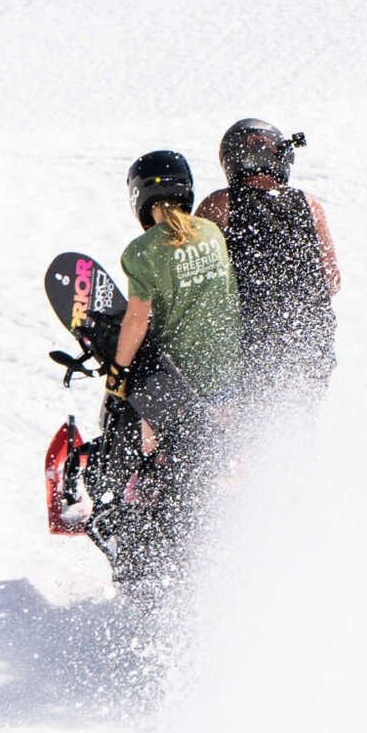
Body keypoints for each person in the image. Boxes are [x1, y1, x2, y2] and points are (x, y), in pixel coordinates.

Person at [104, 149, 242, 580]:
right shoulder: (211, 232)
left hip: (181, 382)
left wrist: (118, 374)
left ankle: (147, 529)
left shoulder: (141, 251)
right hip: (226, 374)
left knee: (159, 453)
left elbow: (138, 319)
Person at [197, 119, 339, 405]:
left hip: (249, 345)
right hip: (309, 343)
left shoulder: (221, 203)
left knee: (240, 433)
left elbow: (191, 271)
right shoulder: (310, 206)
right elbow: (332, 282)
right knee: (297, 425)